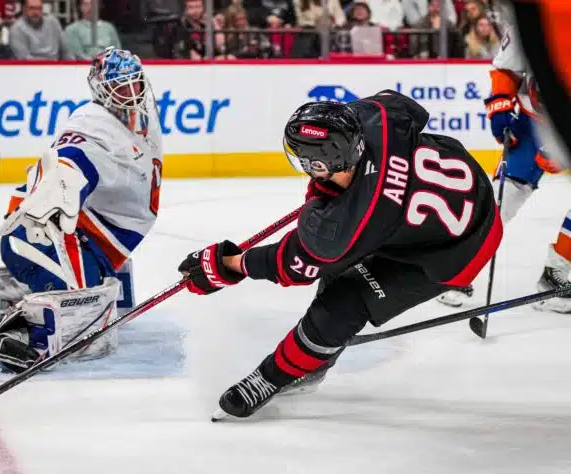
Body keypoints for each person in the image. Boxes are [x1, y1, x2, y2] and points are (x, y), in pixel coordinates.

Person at [177, 90, 503, 420]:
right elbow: (408, 109)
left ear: (321, 163)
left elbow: (295, 265)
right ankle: (316, 355)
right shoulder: (376, 118)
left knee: (343, 302)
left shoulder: (352, 223)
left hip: (456, 251)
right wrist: (327, 194)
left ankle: (277, 376)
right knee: (337, 266)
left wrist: (229, 265)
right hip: (468, 186)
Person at [0, 47, 163, 372]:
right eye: (121, 87)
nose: (131, 93)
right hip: (41, 234)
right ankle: (24, 333)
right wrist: (62, 182)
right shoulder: (92, 125)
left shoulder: (143, 115)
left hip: (89, 242)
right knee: (82, 310)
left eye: (135, 83)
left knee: (98, 297)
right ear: (101, 90)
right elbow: (70, 158)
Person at [437, 15, 571, 313]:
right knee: (504, 197)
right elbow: (507, 68)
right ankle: (457, 267)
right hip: (531, 122)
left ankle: (555, 274)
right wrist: (500, 106)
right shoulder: (542, 16)